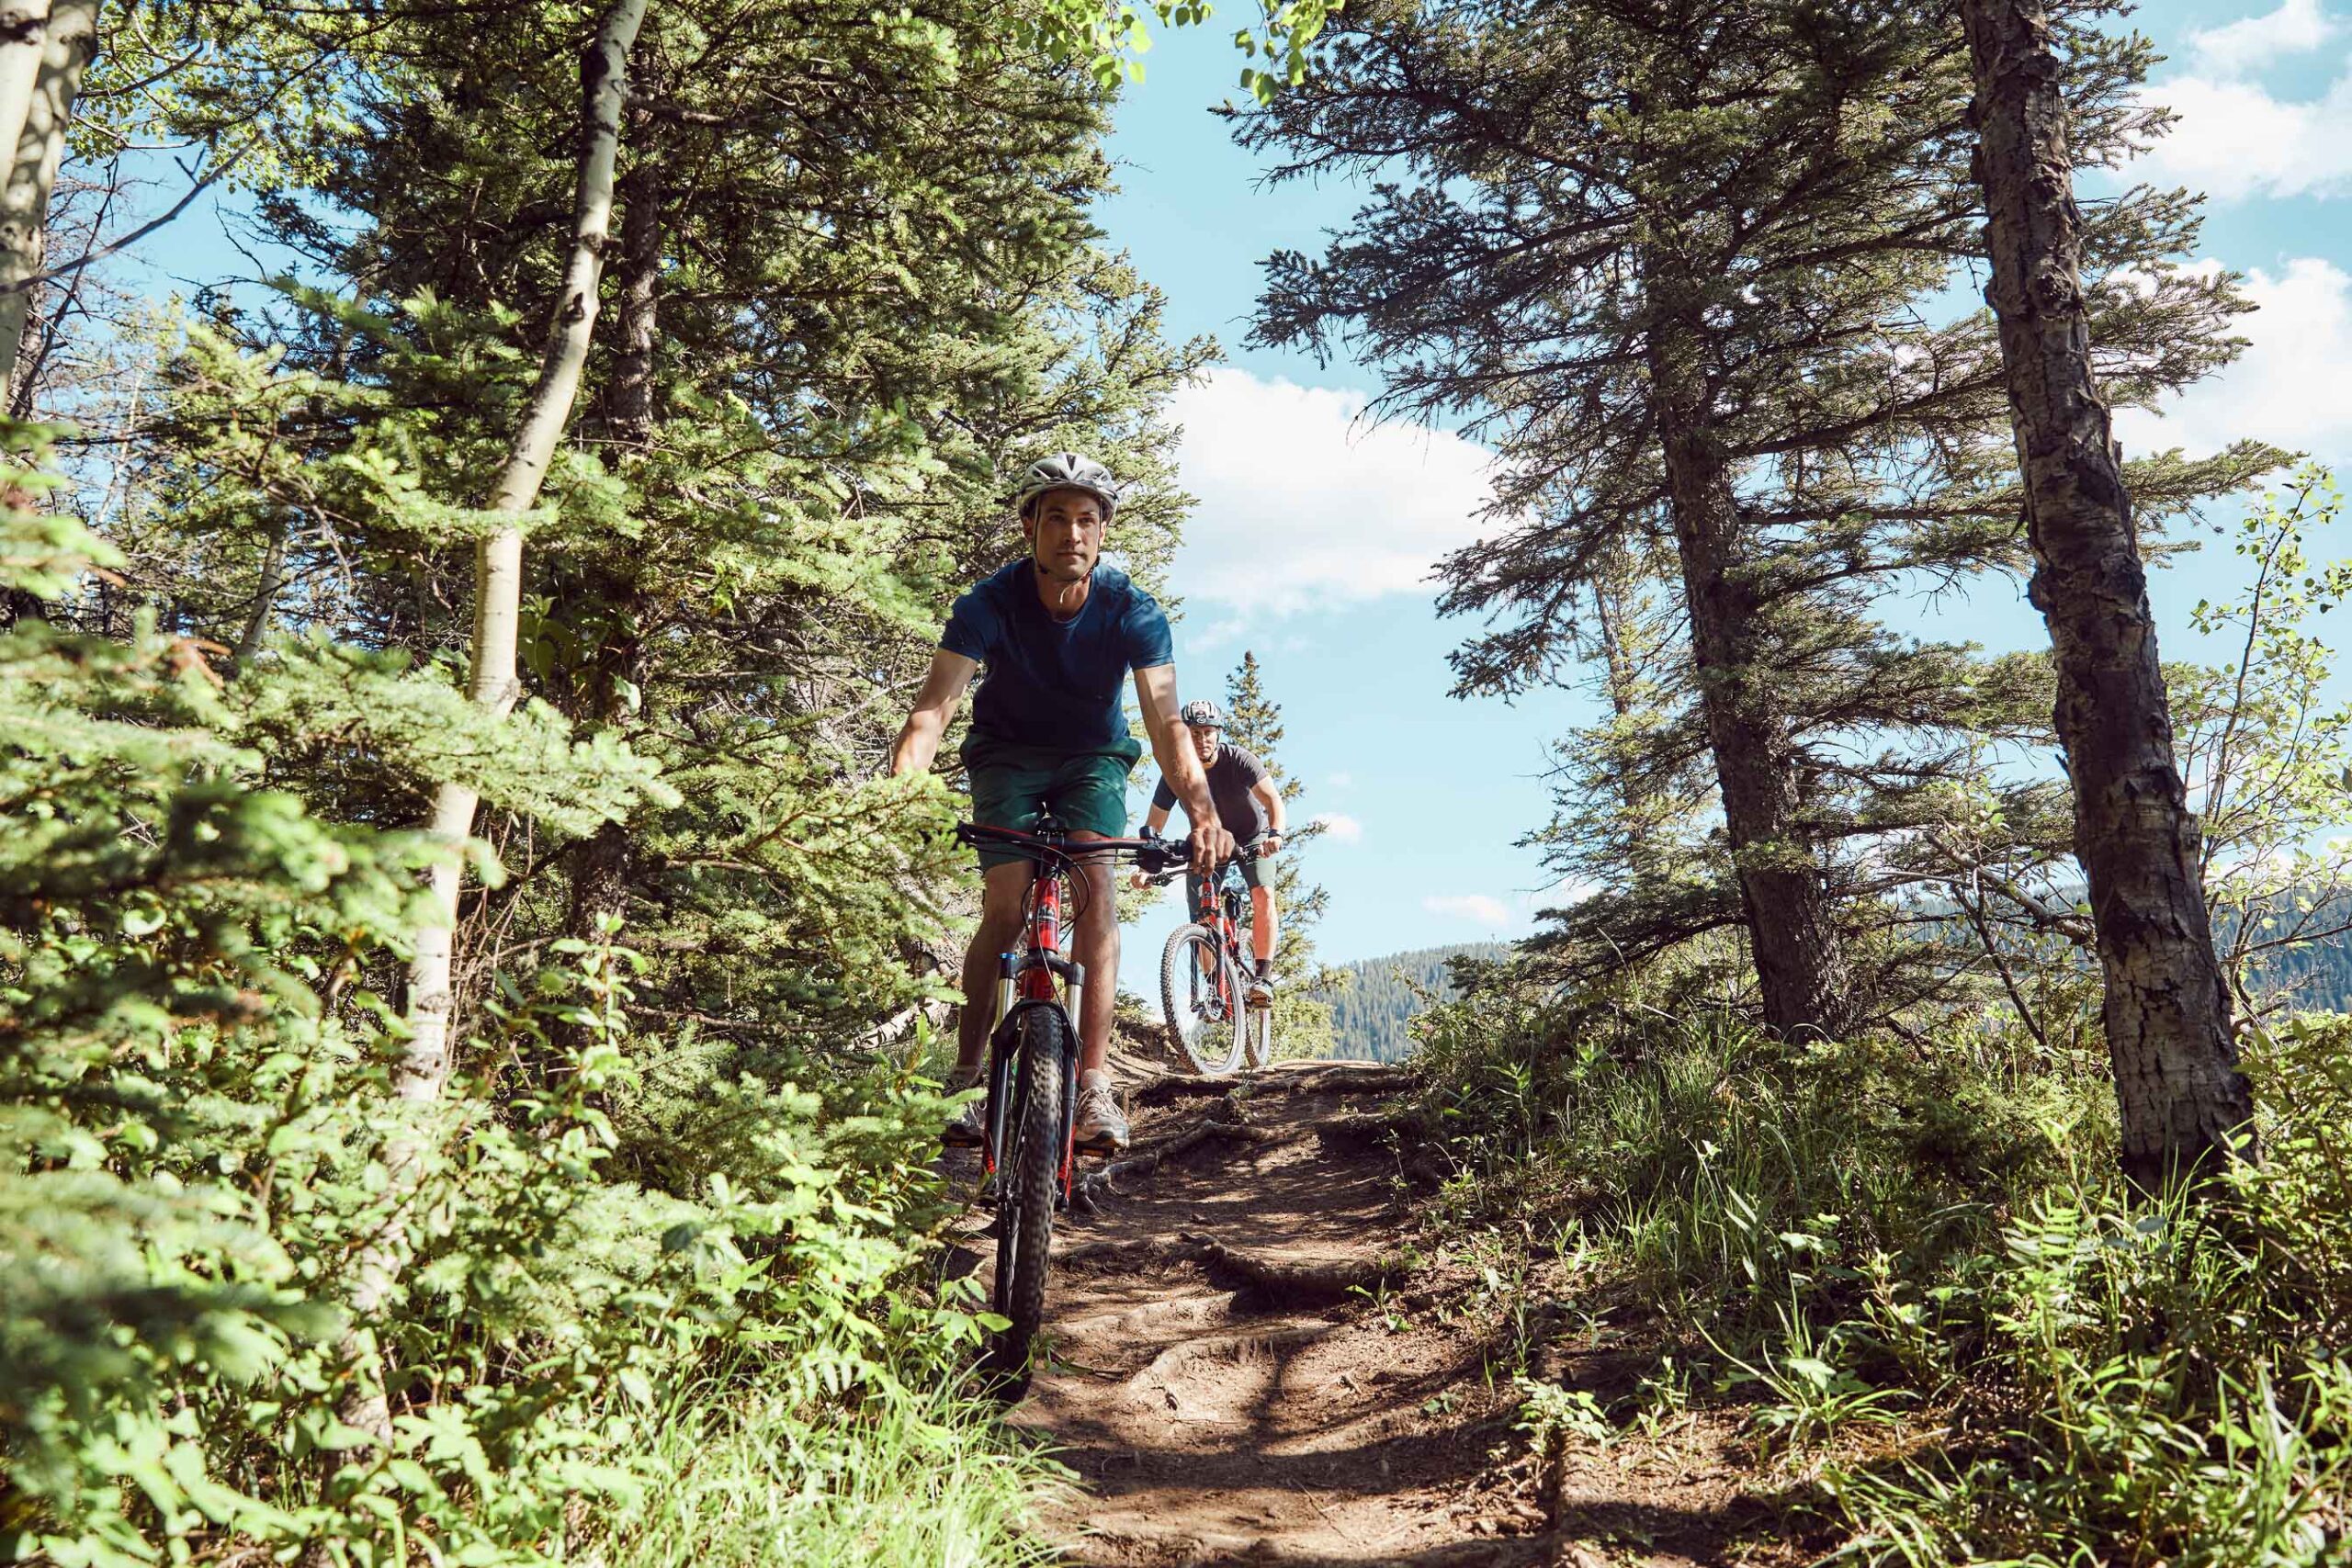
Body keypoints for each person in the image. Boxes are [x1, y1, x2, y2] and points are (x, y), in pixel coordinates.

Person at [888, 452, 1232, 1155]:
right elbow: (934, 708)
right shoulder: (989, 603)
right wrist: (900, 792)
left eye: (1085, 520)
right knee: (1006, 904)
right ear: (1029, 528)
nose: (1071, 533)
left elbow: (1166, 723)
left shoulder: (1132, 611)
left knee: (1096, 885)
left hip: (1093, 760)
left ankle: (1094, 1085)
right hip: (1006, 755)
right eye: (1055, 519)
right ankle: (966, 1078)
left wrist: (1203, 811)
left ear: (1102, 532)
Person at [1134, 698, 1285, 1004]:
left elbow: (1273, 802)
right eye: (1194, 733)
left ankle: (1263, 978)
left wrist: (1275, 834)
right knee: (1201, 915)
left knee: (1263, 894)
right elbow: (1154, 824)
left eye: (1208, 732)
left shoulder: (1239, 760)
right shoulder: (1176, 772)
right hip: (1208, 843)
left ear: (1218, 733)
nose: (1202, 739)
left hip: (1251, 837)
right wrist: (1145, 867)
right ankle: (1216, 987)